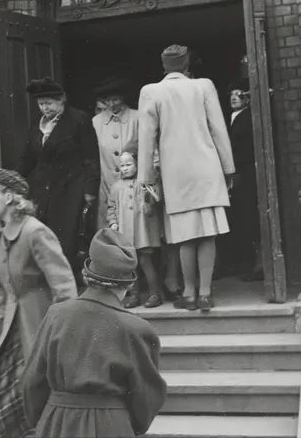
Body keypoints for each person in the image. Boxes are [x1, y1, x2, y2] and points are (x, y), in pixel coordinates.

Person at [22, 227, 167, 438]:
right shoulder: (137, 329)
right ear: (128, 285)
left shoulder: (55, 315)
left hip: (57, 422)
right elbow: (147, 396)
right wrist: (125, 424)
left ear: (87, 275)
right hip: (112, 425)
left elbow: (33, 382)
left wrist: (45, 421)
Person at [0, 169, 77, 438]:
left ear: (8, 197)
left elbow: (64, 287)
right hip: (10, 332)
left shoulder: (35, 232)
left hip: (39, 327)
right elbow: (1, 292)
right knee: (6, 403)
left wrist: (62, 335)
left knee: (41, 396)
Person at [137, 45, 236, 312]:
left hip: (175, 174)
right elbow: (218, 129)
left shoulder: (151, 91)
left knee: (185, 236)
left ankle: (190, 294)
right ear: (186, 65)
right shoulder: (204, 86)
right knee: (208, 234)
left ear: (164, 66)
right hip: (207, 169)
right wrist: (228, 168)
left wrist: (147, 178)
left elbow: (146, 139)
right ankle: (205, 294)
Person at [19, 77, 100, 282]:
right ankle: (51, 282)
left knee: (68, 238)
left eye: (48, 103)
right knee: (46, 235)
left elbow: (91, 157)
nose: (44, 108)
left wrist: (89, 190)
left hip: (70, 188)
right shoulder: (37, 124)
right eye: (40, 104)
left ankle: (69, 283)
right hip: (44, 190)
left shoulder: (79, 120)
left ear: (61, 100)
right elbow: (28, 158)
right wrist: (15, 180)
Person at [108, 144, 162, 308]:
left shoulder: (144, 183)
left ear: (138, 164)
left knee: (145, 261)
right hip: (125, 233)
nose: (124, 168)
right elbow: (111, 207)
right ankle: (134, 295)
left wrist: (148, 192)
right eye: (122, 165)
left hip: (143, 232)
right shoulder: (116, 187)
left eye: (129, 164)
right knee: (131, 265)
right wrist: (113, 222)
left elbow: (156, 200)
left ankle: (155, 294)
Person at [92, 77, 139, 231]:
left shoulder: (138, 118)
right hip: (106, 186)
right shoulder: (96, 122)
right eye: (107, 100)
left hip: (134, 188)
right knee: (110, 233)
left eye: (116, 99)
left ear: (123, 98)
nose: (111, 104)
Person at [228, 79, 263, 281]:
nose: (234, 97)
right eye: (232, 94)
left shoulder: (248, 117)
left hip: (246, 173)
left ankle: (259, 264)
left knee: (250, 216)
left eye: (239, 93)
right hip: (238, 173)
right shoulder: (232, 117)